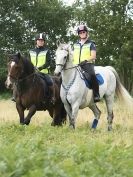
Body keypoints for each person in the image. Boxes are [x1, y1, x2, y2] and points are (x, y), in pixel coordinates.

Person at [73, 25, 100, 102]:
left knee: (92, 75)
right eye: (80, 32)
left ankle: (96, 94)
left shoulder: (91, 44)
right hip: (76, 65)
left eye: (83, 32)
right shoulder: (75, 44)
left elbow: (93, 56)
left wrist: (85, 60)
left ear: (86, 33)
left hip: (87, 64)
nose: (82, 33)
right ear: (79, 34)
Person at [29, 33, 55, 104]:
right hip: (32, 73)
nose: (40, 42)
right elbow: (28, 62)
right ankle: (16, 96)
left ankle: (52, 97)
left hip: (43, 72)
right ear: (36, 41)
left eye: (42, 40)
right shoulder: (31, 51)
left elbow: (48, 62)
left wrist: (40, 68)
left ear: (44, 42)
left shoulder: (47, 51)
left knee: (50, 82)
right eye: (39, 40)